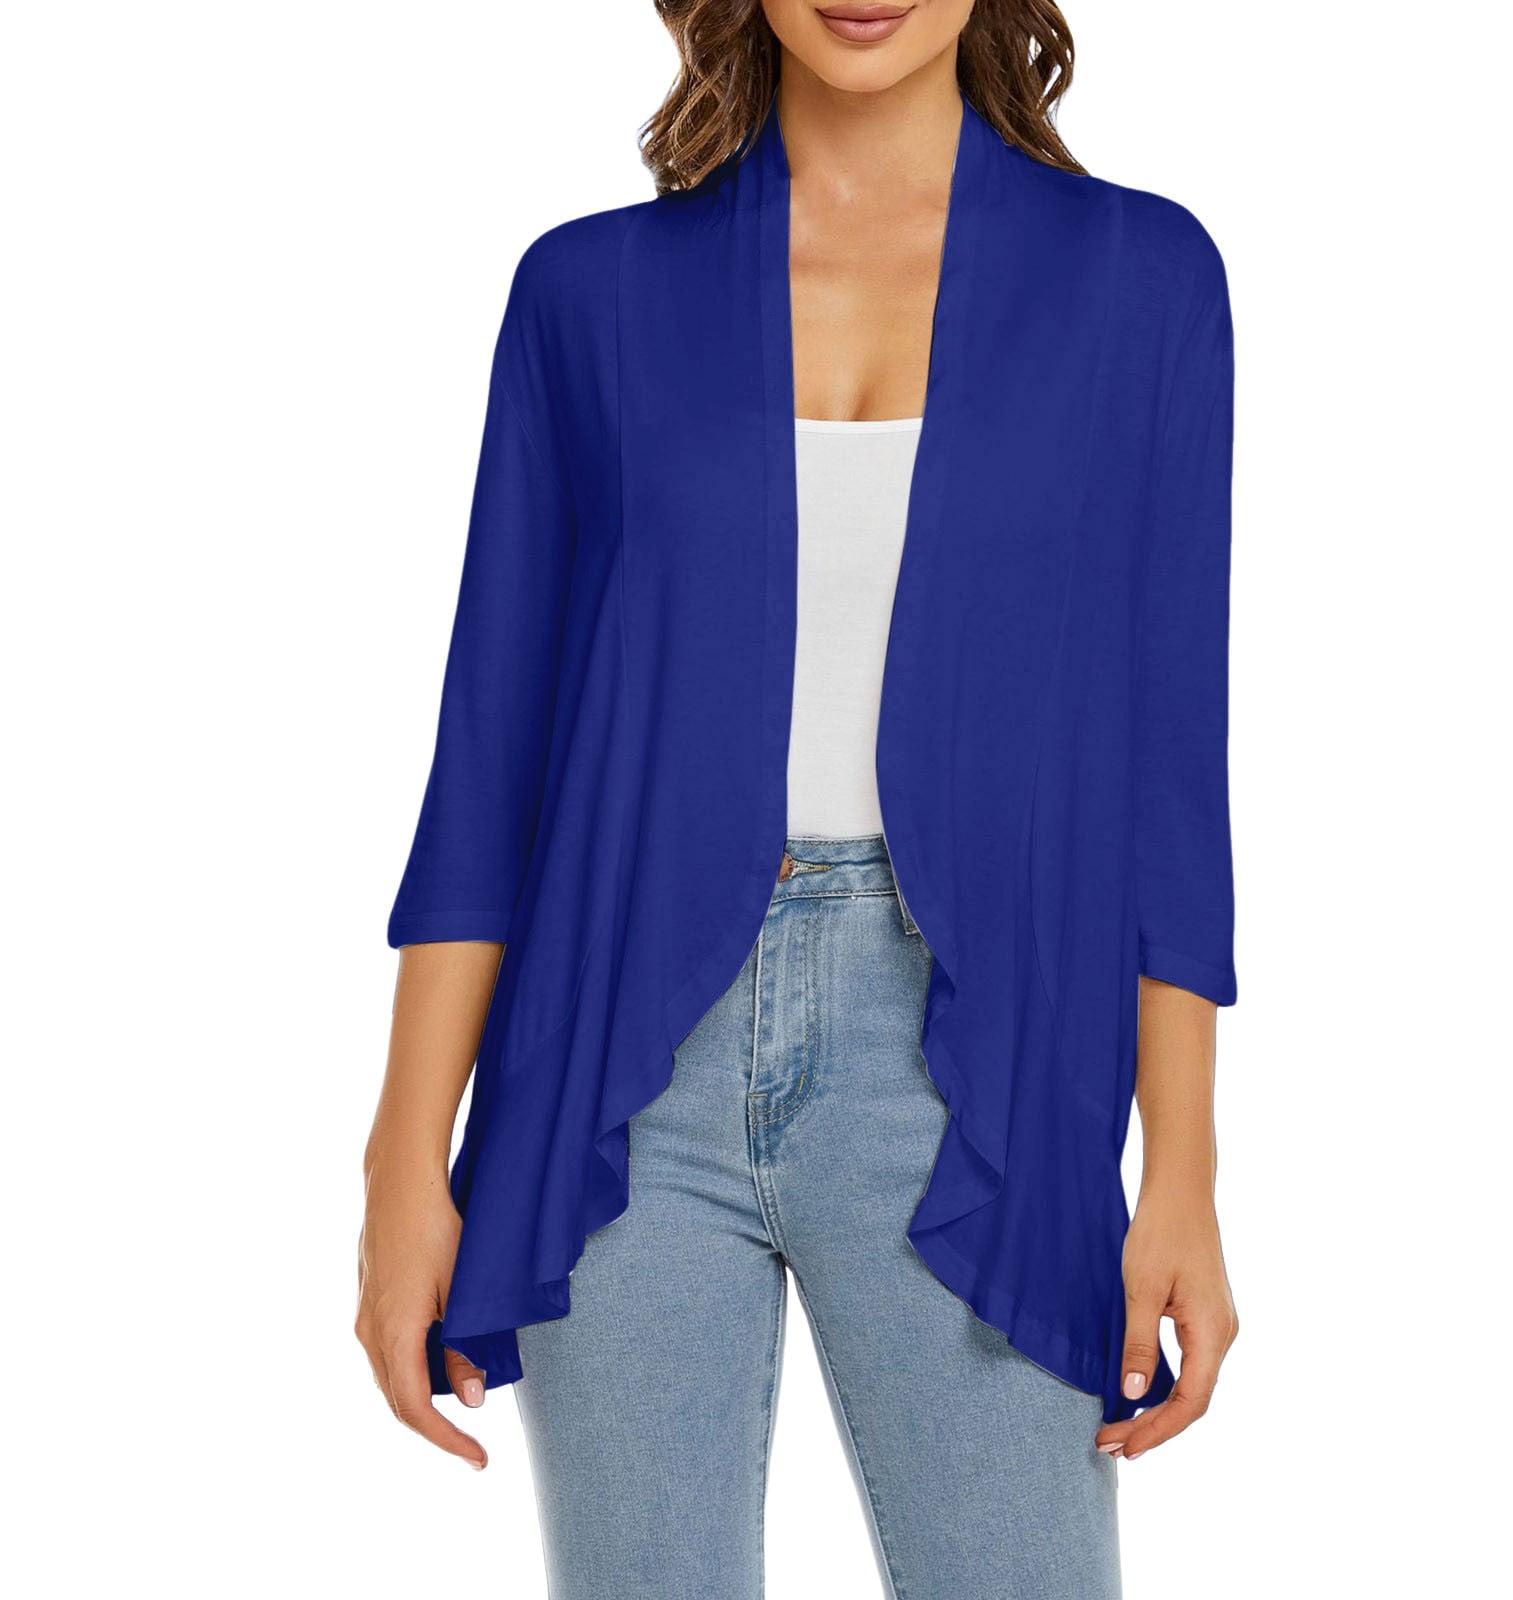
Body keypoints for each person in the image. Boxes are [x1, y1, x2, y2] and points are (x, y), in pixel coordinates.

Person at [356, 2, 1240, 1593]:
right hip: (619, 1068)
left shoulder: (1141, 281)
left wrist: (1184, 1169)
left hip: (971, 1070)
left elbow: (1168, 771)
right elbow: (490, 765)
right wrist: (401, 1166)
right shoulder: (588, 295)